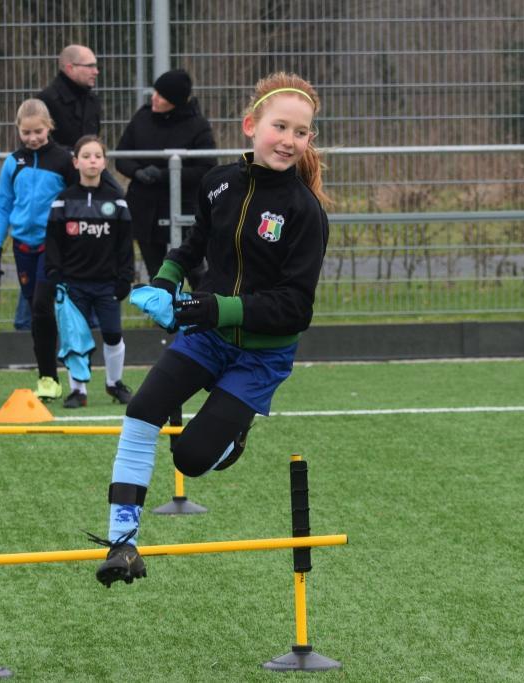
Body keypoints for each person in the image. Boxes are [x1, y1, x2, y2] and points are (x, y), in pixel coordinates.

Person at [91, 72, 331, 587]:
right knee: (142, 411)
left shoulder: (305, 212)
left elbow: (295, 308)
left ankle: (234, 432)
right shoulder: (218, 183)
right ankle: (122, 543)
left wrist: (217, 308)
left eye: (301, 132)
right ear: (251, 126)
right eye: (280, 127)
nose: (289, 140)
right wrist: (164, 281)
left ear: (309, 139)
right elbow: (193, 246)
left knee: (191, 458)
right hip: (206, 336)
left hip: (260, 356)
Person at [0, 99, 78, 402]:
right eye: (26, 132)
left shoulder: (64, 161)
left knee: (41, 306)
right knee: (38, 315)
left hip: (53, 246)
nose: (32, 138)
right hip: (23, 246)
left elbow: (78, 201)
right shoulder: (13, 163)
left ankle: (60, 375)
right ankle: (47, 377)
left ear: (49, 126)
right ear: (18, 130)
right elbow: (3, 205)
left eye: (38, 131)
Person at [44, 135, 135, 409]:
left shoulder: (117, 201)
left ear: (104, 162)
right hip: (73, 284)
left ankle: (114, 383)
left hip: (107, 284)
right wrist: (54, 273)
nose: (92, 161)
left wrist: (125, 277)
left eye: (97, 156)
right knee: (75, 338)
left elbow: (125, 244)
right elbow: (53, 242)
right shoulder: (63, 201)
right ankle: (78, 391)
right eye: (86, 156)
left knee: (112, 333)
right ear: (76, 162)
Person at [115, 69, 216, 282]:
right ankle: (162, 303)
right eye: (155, 92)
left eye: (161, 96)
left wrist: (165, 175)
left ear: (175, 101)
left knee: (194, 269)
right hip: (145, 208)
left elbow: (206, 167)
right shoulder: (142, 117)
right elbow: (121, 156)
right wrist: (137, 172)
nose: (154, 98)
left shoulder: (197, 126)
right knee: (156, 272)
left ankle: (200, 303)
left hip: (184, 207)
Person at [37, 44, 101, 149]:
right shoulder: (45, 101)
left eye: (95, 66)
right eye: (90, 66)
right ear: (70, 68)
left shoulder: (92, 100)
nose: (96, 72)